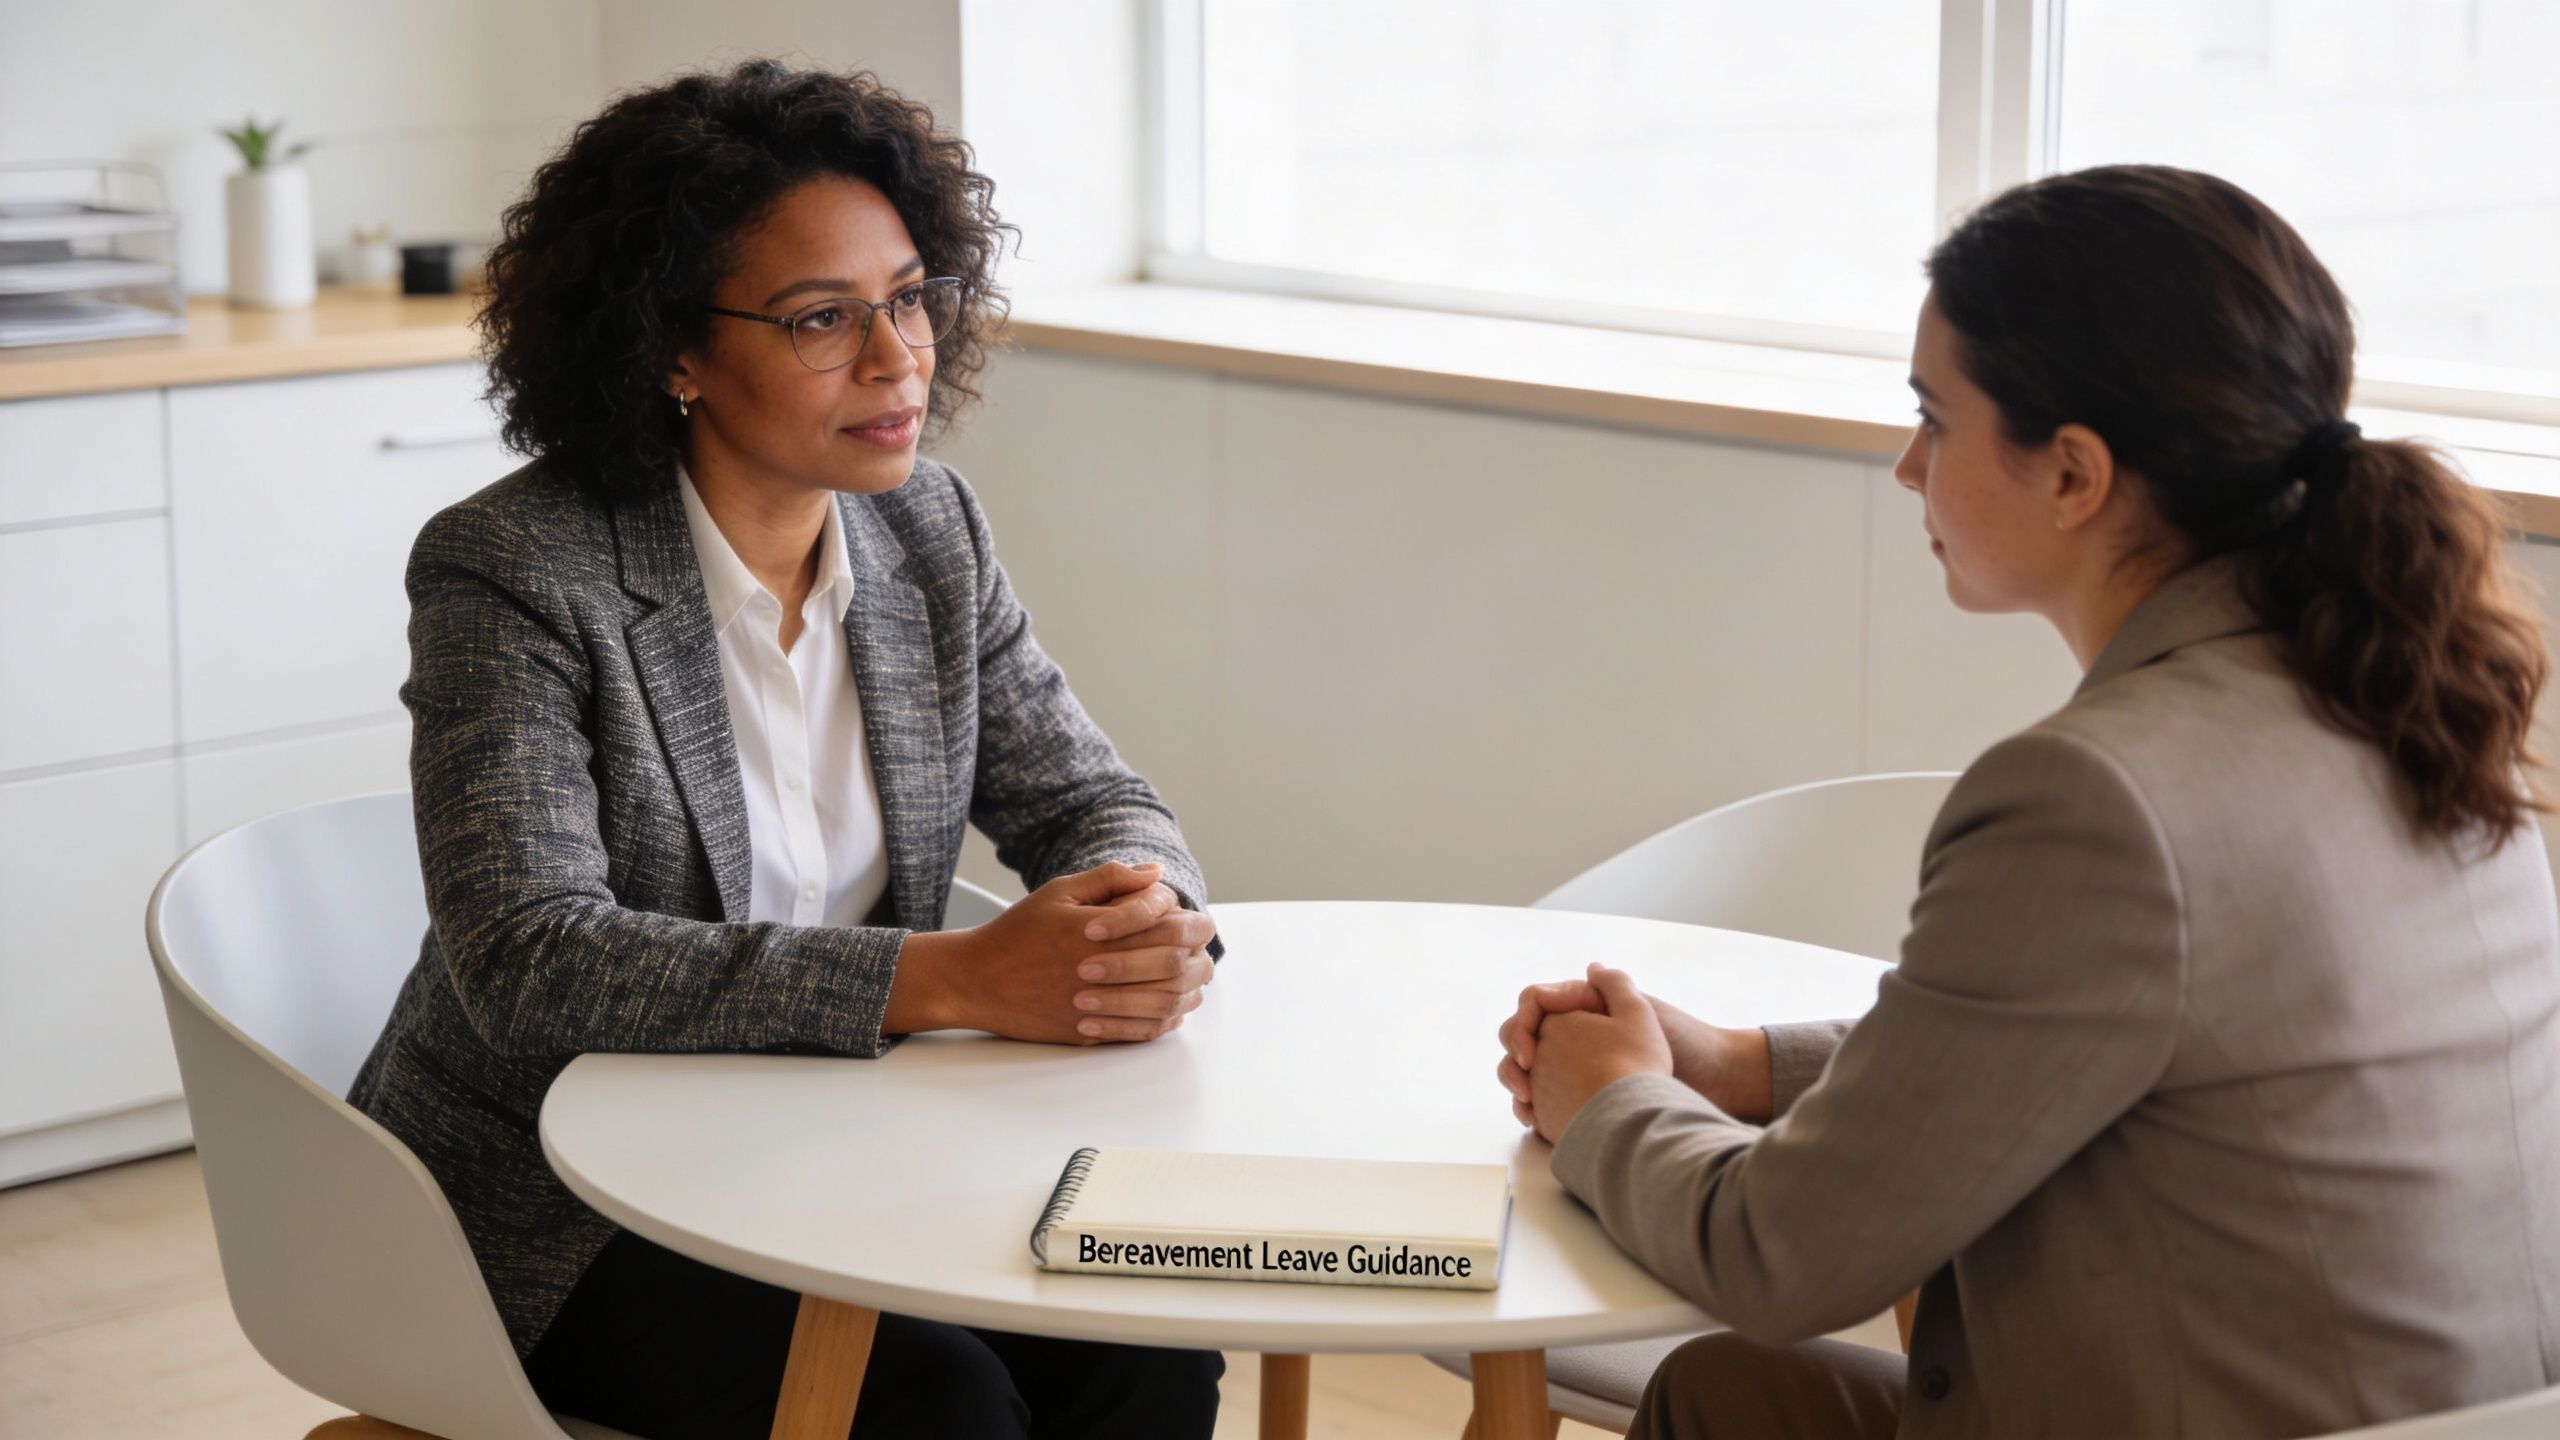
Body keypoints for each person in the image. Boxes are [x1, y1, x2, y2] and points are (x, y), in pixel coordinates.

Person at [1497, 164, 2560, 1438]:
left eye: (1934, 420)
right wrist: (1736, 1065)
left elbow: (1778, 1260)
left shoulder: (2098, 796)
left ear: (2072, 474)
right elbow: (2106, 1034)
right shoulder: (2409, 694)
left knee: (1741, 1377)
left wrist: (1609, 1102)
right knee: (1727, 1399)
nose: (1906, 468)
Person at [346, 59, 1225, 1439]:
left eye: (909, 296)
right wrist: (956, 978)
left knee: (1149, 1347)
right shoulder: (515, 567)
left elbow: (1094, 795)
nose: (898, 360)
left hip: (849, 1147)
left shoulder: (929, 529)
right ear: (669, 349)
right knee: (943, 1409)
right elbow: (531, 957)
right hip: (557, 1198)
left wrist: (1144, 909)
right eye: (823, 319)